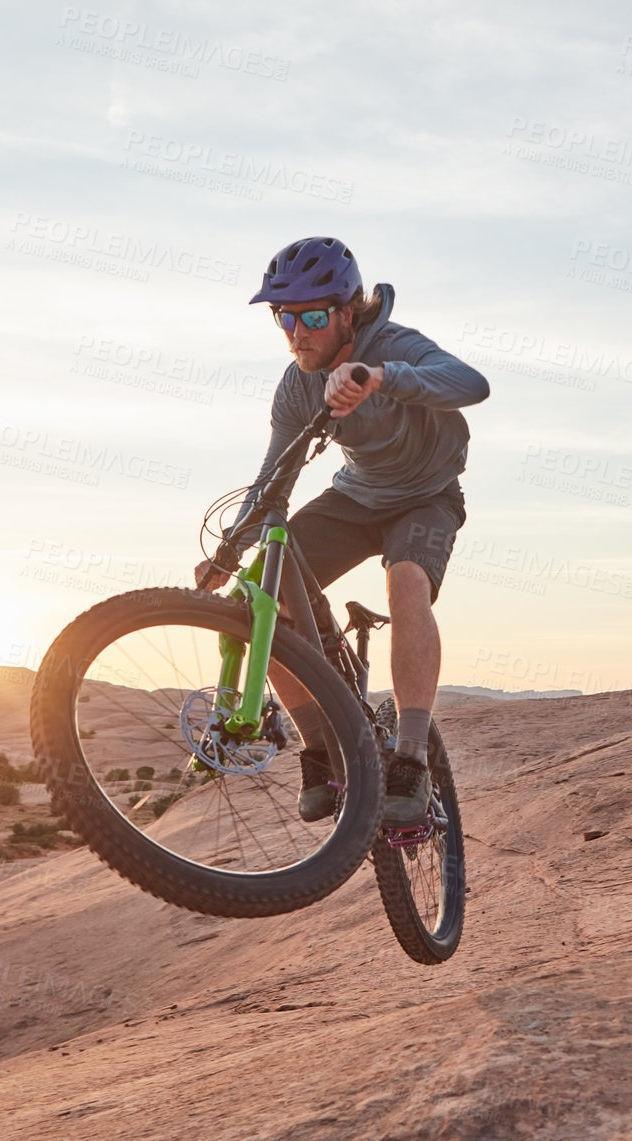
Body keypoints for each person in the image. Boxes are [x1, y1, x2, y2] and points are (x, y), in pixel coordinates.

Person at [195, 237, 488, 827]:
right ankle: (320, 748)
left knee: (406, 583)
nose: (296, 331)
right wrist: (233, 547)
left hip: (427, 497)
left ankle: (410, 758)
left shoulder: (393, 345)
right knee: (263, 595)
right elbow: (274, 475)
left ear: (347, 312)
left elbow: (471, 384)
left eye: (311, 316)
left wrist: (379, 376)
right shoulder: (296, 385)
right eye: (284, 317)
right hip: (355, 497)